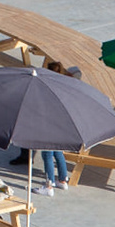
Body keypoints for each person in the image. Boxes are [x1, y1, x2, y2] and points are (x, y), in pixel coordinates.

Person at [37, 60, 73, 194]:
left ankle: (49, 184)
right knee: (58, 152)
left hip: (49, 123)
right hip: (61, 124)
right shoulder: (63, 85)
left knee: (47, 153)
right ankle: (63, 180)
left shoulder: (48, 86)